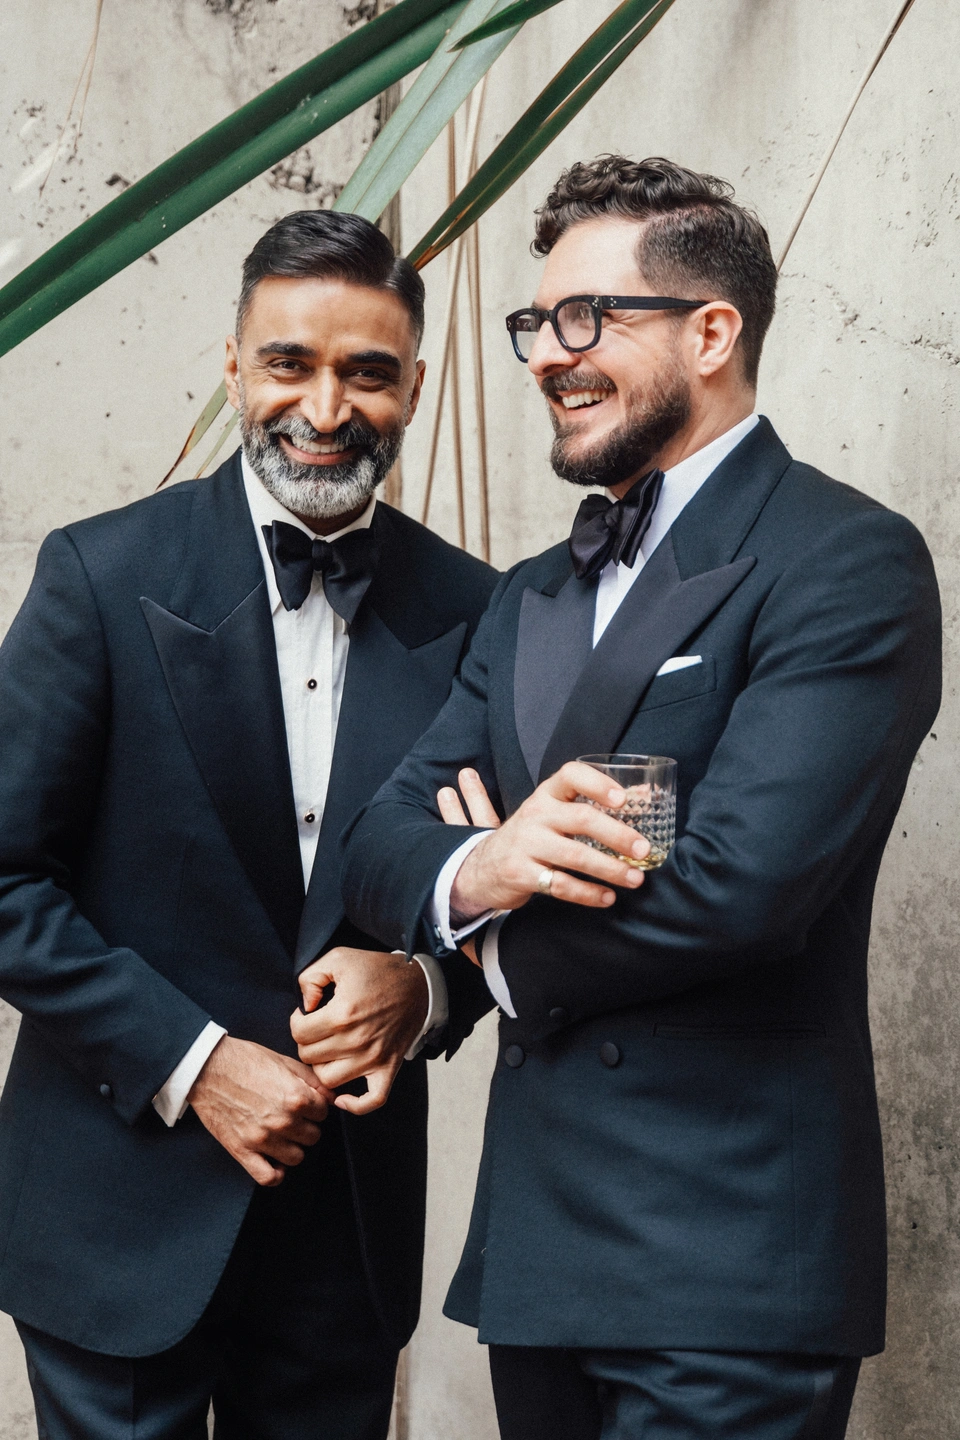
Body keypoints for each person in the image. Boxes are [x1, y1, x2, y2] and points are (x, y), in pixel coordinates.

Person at [337, 157, 942, 1440]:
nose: (551, 354)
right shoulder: (531, 593)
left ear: (713, 331)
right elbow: (379, 841)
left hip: (729, 1260)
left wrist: (476, 944)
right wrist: (485, 865)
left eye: (588, 317)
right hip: (542, 1258)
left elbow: (740, 889)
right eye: (537, 325)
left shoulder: (846, 562)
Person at [0, 210, 496, 1439]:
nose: (326, 407)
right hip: (115, 1216)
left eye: (367, 372)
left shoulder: (486, 611)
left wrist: (427, 990)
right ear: (234, 364)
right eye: (291, 363)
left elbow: (495, 888)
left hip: (348, 1235)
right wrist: (197, 1063)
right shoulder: (98, 576)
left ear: (414, 387)